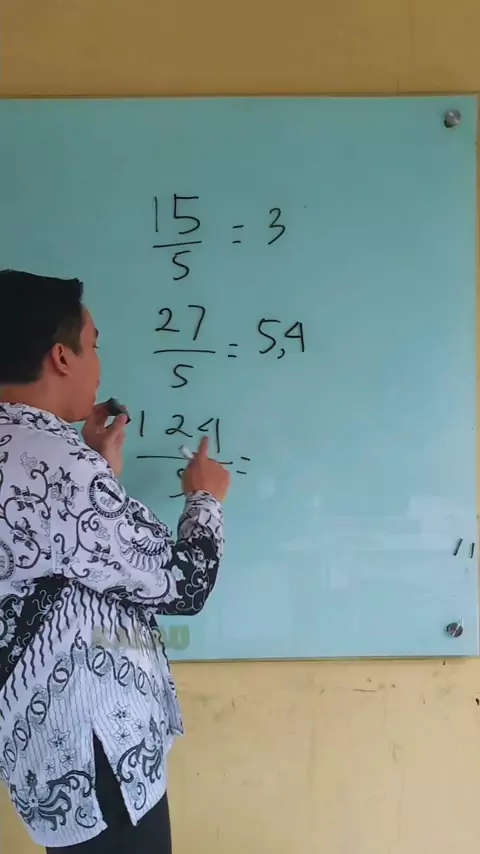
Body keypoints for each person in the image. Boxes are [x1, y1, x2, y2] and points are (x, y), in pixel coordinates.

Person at [0, 270, 230, 852]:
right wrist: (205, 498)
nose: (99, 364)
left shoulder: (40, 458)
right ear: (61, 357)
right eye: (94, 344)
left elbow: (52, 558)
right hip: (98, 752)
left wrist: (96, 469)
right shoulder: (60, 469)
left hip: (39, 746)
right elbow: (184, 584)